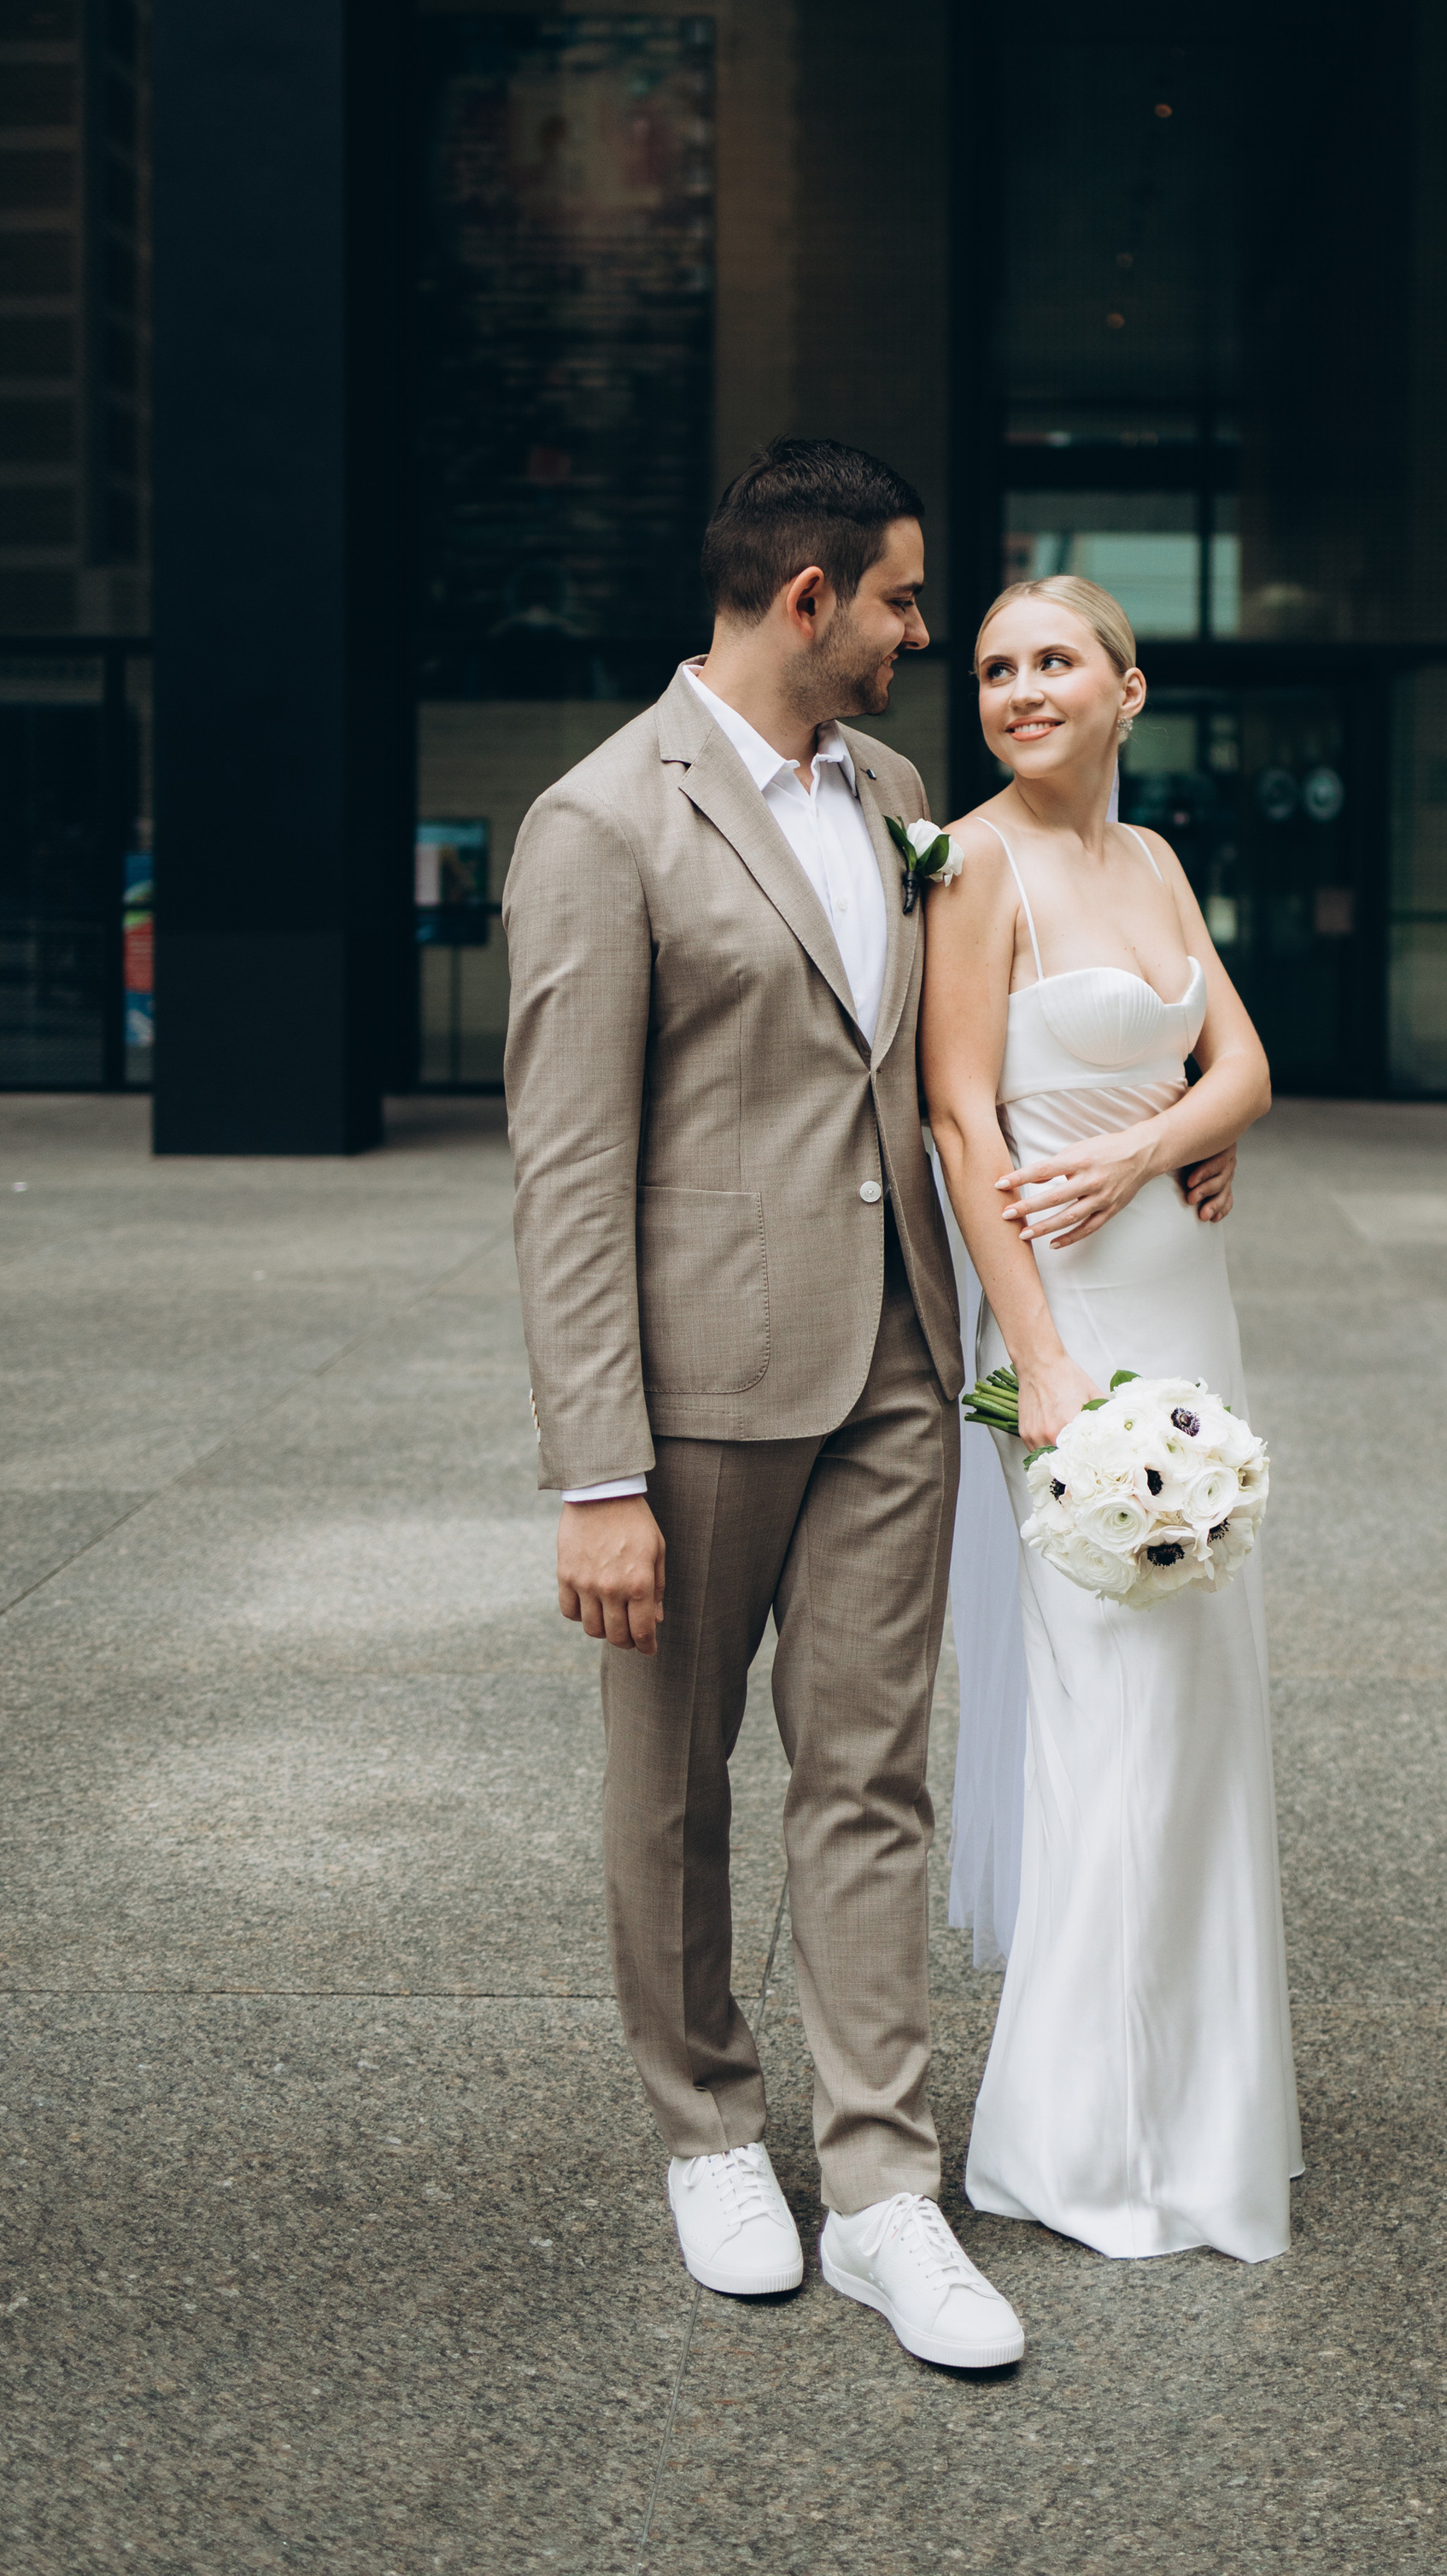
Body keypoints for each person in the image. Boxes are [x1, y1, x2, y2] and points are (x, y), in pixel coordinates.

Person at [503, 437, 1025, 2369]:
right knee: (670, 1778)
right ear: (805, 600)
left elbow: (940, 1056)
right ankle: (709, 2131)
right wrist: (594, 1473)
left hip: (898, 1355)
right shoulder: (596, 824)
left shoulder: (895, 792)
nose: (921, 630)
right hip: (700, 1383)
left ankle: (888, 2187)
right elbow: (566, 1168)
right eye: (899, 598)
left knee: (868, 1769)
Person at [922, 574, 1303, 2263]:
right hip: (1063, 1336)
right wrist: (1040, 1367)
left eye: (1052, 660)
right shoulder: (966, 858)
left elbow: (1243, 1067)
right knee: (1111, 1721)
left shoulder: (1147, 862)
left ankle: (1200, 2126)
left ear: (1124, 690)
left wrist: (1161, 1138)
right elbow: (953, 1112)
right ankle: (1068, 2144)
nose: (1018, 687)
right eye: (996, 666)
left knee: (1200, 1716)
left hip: (1183, 1315)